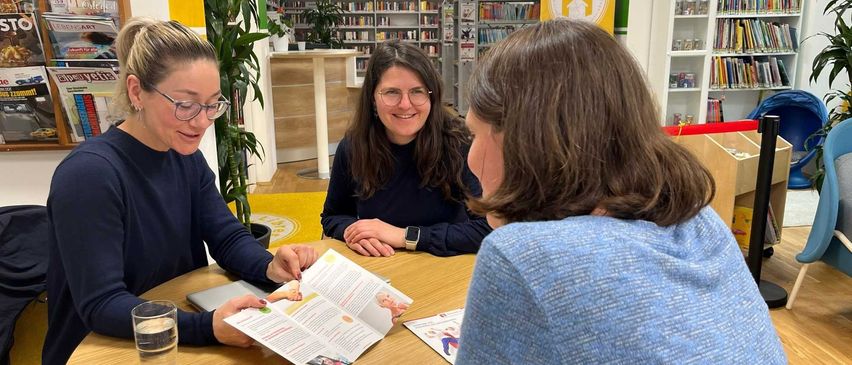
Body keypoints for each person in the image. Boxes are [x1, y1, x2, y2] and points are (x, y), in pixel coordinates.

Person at [456, 19, 786, 364]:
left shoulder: (521, 255)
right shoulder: (699, 220)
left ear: (523, 142)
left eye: (475, 134)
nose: (472, 155)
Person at [42, 18, 319, 364]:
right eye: (185, 104)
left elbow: (227, 238)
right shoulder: (89, 176)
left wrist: (269, 267)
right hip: (101, 350)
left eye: (213, 104)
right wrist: (207, 327)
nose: (202, 121)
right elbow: (102, 303)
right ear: (135, 91)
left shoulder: (183, 158)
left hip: (173, 334)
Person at [320, 40, 491, 257]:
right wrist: (354, 233)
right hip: (378, 267)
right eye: (391, 92)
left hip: (443, 270)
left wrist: (404, 236)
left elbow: (487, 229)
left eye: (417, 91)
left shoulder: (459, 143)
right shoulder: (353, 146)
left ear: (432, 95)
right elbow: (333, 216)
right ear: (373, 97)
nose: (405, 104)